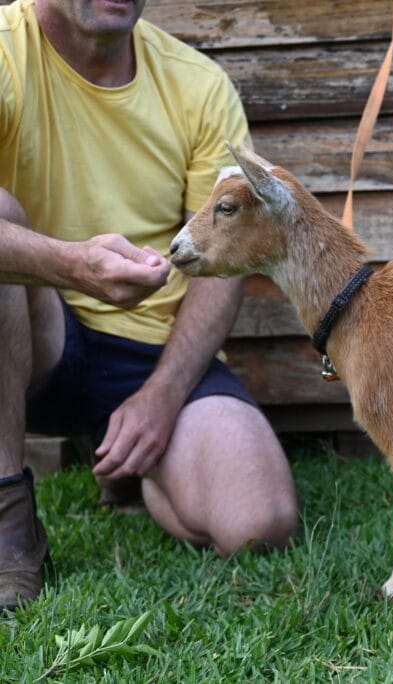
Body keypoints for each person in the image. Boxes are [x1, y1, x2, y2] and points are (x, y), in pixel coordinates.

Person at [0, 0, 299, 611]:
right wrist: (70, 265)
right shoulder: (7, 51)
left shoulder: (199, 85)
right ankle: (8, 526)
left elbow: (221, 264)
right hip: (35, 330)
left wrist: (162, 397)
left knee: (259, 520)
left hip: (153, 356)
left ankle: (135, 464)